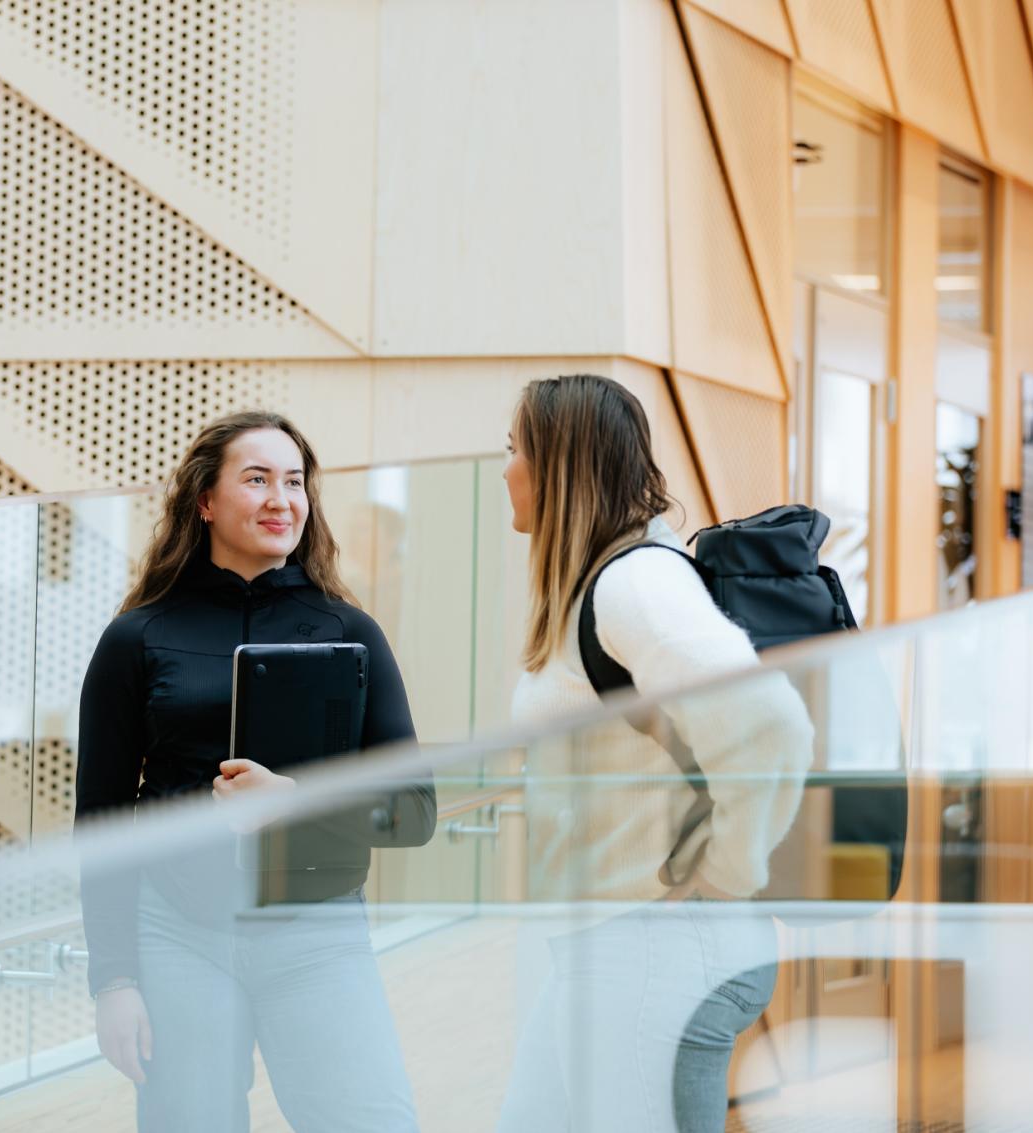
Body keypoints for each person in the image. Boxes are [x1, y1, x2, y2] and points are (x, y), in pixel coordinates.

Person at [75, 410, 434, 1132]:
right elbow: (102, 821)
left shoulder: (350, 632)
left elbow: (413, 810)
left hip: (317, 929)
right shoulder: (137, 636)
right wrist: (113, 979)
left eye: (295, 481)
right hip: (177, 932)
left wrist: (296, 800)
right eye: (258, 478)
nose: (282, 498)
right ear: (205, 500)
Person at [494, 374, 814, 1132]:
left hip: (657, 950)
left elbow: (773, 725)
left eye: (514, 449)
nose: (504, 467)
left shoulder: (635, 585)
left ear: (558, 465)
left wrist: (727, 869)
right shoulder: (600, 583)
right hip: (608, 943)